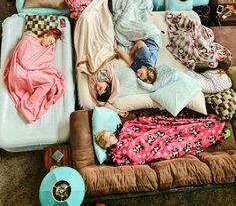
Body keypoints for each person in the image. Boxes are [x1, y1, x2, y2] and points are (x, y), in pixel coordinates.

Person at [95, 112, 227, 165]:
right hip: (159, 146)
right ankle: (215, 134)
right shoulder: (118, 153)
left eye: (110, 133)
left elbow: (140, 127)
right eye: (109, 137)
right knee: (185, 140)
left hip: (159, 133)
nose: (112, 135)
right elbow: (134, 155)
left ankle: (212, 125)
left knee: (180, 127)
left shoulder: (125, 131)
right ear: (107, 145)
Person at [3, 27, 65, 122]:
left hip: (30, 73)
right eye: (50, 41)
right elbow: (24, 62)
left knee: (51, 81)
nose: (50, 44)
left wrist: (52, 43)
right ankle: (28, 105)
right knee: (49, 81)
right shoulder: (28, 40)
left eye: (52, 43)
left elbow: (46, 61)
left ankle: (29, 103)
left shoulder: (45, 49)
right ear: (45, 35)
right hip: (18, 72)